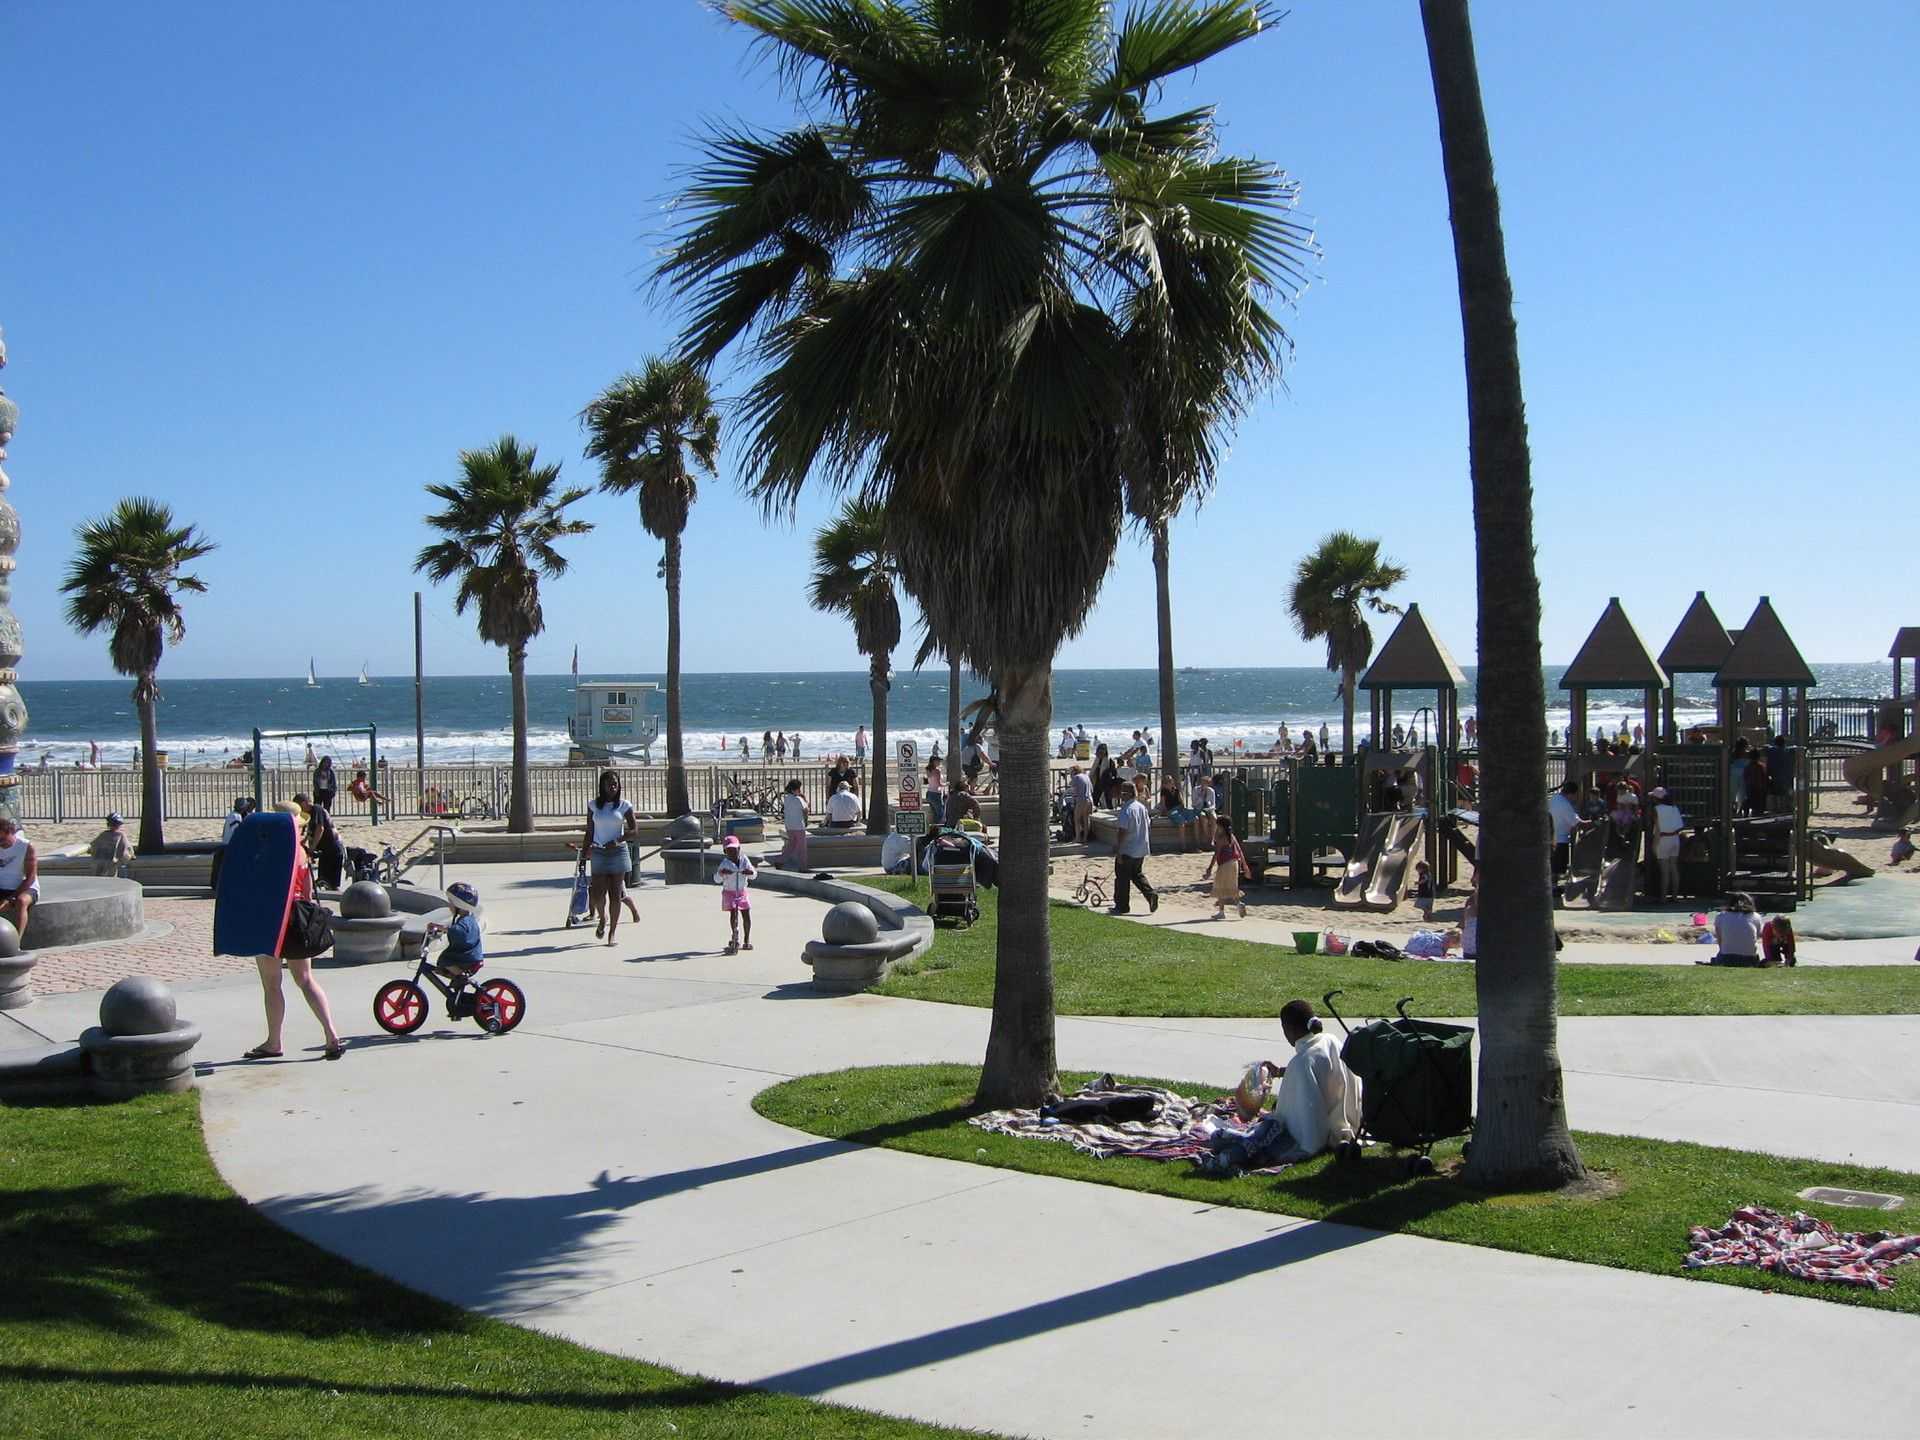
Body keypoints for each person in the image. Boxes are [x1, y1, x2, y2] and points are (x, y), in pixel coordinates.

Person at [1205, 999, 1361, 1172]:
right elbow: (1318, 1067)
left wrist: (1270, 1115)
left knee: (1248, 1137)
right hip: (1347, 1120)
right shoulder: (1330, 1041)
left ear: (1289, 1029)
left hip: (1318, 1135)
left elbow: (1293, 1119)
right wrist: (1279, 1071)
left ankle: (1228, 1158)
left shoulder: (1300, 1063)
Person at [242, 806, 345, 1061]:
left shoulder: (265, 852)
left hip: (270, 919)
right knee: (306, 979)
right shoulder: (301, 853)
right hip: (296, 919)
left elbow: (254, 886)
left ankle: (274, 1041)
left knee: (271, 983)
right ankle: (331, 1035)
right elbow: (308, 895)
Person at [580, 770, 636, 946]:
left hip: (618, 852)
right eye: (609, 783)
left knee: (615, 894)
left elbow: (634, 830)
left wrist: (618, 840)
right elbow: (589, 830)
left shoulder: (624, 805)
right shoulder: (593, 806)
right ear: (602, 786)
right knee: (597, 895)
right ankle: (602, 918)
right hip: (598, 851)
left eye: (615, 783)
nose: (612, 786)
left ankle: (612, 932)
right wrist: (584, 851)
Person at [1109, 784, 1158, 915]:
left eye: (1122, 792)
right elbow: (1148, 824)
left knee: (1122, 878)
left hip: (1128, 849)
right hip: (1141, 848)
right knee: (1137, 874)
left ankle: (1122, 906)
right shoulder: (1141, 807)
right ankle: (1150, 894)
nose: (1121, 795)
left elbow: (1122, 831)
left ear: (1127, 794)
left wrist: (1118, 849)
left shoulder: (1127, 809)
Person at [432, 881, 486, 981]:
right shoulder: (469, 918)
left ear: (459, 905)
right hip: (472, 955)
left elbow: (458, 931)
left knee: (445, 960)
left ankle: (462, 977)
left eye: (451, 903)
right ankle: (457, 980)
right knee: (444, 963)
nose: (449, 906)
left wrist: (441, 928)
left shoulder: (464, 922)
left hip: (468, 957)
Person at [294, 792, 346, 890]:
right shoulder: (309, 813)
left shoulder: (316, 809)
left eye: (299, 806)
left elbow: (320, 828)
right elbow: (310, 831)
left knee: (331, 882)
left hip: (333, 846)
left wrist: (312, 847)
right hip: (325, 848)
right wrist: (304, 841)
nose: (299, 810)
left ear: (304, 803)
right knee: (323, 878)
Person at [1202, 815, 1250, 920]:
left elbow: (1217, 854)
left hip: (1225, 864)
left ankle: (1222, 912)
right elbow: (1239, 851)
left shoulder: (1221, 837)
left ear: (1220, 826)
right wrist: (1245, 866)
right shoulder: (1231, 836)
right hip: (1234, 863)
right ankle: (1238, 904)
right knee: (1231, 886)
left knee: (1220, 886)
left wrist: (1209, 868)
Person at [715, 835, 756, 953]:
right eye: (729, 851)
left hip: (741, 891)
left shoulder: (744, 860)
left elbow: (753, 874)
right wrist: (722, 873)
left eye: (735, 850)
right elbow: (717, 879)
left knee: (746, 914)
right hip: (729, 892)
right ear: (725, 852)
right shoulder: (725, 863)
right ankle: (734, 936)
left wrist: (749, 872)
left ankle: (747, 940)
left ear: (739, 849)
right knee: (733, 913)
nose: (732, 853)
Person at [0, 815, 38, 941]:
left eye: (2, 839)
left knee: (21, 902)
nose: (1, 843)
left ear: (10, 832)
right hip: (3, 887)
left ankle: (16, 941)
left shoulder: (26, 847)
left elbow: (30, 878)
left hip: (24, 888)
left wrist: (12, 898)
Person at [1703, 892, 1763, 966]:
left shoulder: (1721, 916)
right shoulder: (1756, 917)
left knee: (1720, 954)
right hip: (1749, 959)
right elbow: (1755, 937)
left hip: (1727, 958)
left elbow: (1720, 941)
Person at [1548, 780, 1583, 900]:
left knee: (1553, 864)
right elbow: (1576, 823)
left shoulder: (1554, 799)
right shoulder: (1565, 805)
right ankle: (1553, 887)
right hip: (1561, 839)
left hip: (1551, 837)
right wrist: (1594, 822)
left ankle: (1552, 886)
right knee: (1557, 867)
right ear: (1572, 794)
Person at [1651, 787, 1685, 899]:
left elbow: (1658, 829)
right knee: (1674, 867)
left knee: (1664, 870)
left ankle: (1663, 897)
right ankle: (1675, 895)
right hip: (1675, 838)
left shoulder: (1657, 809)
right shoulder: (1674, 808)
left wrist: (1654, 845)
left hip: (1663, 839)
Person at [89, 812, 132, 878]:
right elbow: (126, 850)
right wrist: (130, 856)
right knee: (111, 879)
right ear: (119, 825)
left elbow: (93, 846)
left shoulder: (103, 834)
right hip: (112, 863)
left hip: (99, 862)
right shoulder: (121, 835)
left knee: (98, 878)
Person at [780, 779, 810, 870]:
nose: (799, 791)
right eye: (798, 789)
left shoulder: (786, 798)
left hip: (789, 825)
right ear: (794, 790)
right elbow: (806, 809)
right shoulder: (798, 799)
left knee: (791, 845)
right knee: (802, 848)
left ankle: (780, 860)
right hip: (798, 826)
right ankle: (803, 866)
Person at [1764, 732, 1794, 814]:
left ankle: (1776, 809)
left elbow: (1766, 748)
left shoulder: (1771, 751)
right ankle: (1787, 808)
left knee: (1775, 792)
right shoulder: (1788, 751)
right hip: (1787, 777)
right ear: (1784, 743)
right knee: (1786, 792)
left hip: (1774, 777)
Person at [1068, 764, 1093, 842]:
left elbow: (1071, 786)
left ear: (1074, 771)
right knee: (1086, 819)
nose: (1070, 773)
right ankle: (1085, 838)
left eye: (1070, 772)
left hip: (1081, 800)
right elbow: (1091, 789)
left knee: (1077, 819)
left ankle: (1078, 838)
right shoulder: (1086, 776)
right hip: (1089, 800)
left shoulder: (1076, 777)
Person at [924, 758, 947, 825]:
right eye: (938, 761)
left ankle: (934, 829)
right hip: (936, 794)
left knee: (934, 813)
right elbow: (939, 784)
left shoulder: (928, 770)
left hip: (929, 793)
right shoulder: (937, 771)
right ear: (934, 762)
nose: (939, 762)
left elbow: (928, 781)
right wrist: (947, 784)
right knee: (940, 814)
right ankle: (939, 830)